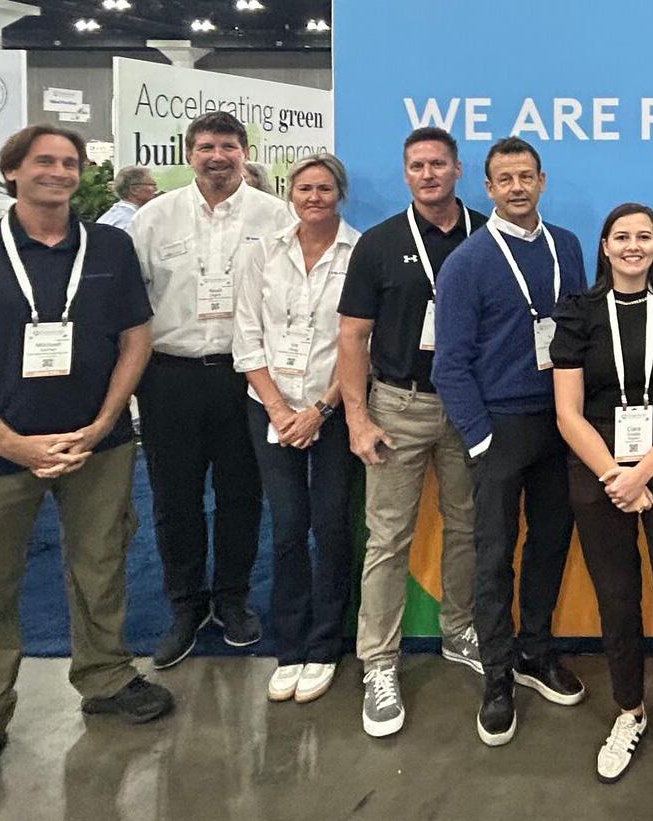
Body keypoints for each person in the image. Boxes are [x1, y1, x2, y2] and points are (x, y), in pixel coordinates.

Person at [0, 124, 173, 804]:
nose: (59, 172)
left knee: (101, 563)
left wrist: (107, 421)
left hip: (97, 444)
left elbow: (135, 338)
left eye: (69, 162)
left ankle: (105, 675)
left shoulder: (108, 247)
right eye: (44, 161)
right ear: (12, 172)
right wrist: (10, 443)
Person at [551, 202, 653, 814]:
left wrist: (641, 474)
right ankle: (630, 710)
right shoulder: (578, 312)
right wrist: (613, 476)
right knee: (617, 601)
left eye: (644, 236)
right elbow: (567, 412)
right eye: (621, 236)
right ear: (604, 246)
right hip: (598, 466)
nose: (633, 245)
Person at [433, 137, 587, 748]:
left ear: (542, 182)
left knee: (550, 542)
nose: (517, 187)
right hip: (498, 427)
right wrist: (479, 440)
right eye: (505, 179)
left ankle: (536, 652)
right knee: (494, 554)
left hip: (561, 423)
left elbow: (579, 335)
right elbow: (449, 365)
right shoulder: (467, 261)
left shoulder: (567, 246)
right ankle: (497, 675)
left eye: (527, 176)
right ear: (489, 188)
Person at [128, 112, 294, 668]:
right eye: (205, 147)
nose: (217, 156)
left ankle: (232, 598)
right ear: (189, 154)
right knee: (174, 497)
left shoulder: (275, 216)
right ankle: (186, 604)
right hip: (169, 376)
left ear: (244, 152)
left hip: (244, 377)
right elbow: (133, 301)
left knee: (241, 494)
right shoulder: (153, 218)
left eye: (227, 146)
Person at [337, 127, 487, 738]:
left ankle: (460, 630)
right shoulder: (378, 244)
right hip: (399, 405)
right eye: (417, 166)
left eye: (438, 164)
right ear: (406, 174)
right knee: (388, 537)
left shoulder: (488, 236)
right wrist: (357, 417)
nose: (428, 174)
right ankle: (378, 661)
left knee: (467, 526)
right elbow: (353, 336)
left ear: (458, 169)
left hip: (470, 407)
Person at [233, 154, 359, 703]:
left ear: (340, 194)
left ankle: (325, 644)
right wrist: (279, 410)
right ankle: (290, 645)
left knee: (331, 527)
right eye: (305, 188)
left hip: (334, 409)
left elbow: (360, 343)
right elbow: (246, 336)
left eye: (324, 188)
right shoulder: (262, 254)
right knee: (287, 528)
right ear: (290, 194)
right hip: (270, 408)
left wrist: (320, 411)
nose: (314, 197)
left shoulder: (360, 254)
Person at [97, 165, 158, 229]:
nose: (156, 189)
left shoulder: (110, 215)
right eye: (152, 185)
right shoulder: (131, 221)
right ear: (134, 190)